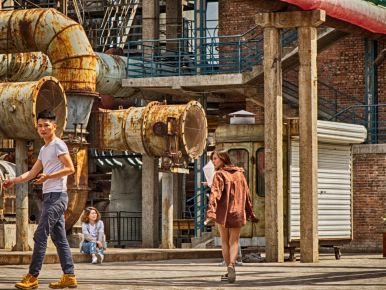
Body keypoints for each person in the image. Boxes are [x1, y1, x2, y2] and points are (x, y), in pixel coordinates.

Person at [2, 110, 77, 290]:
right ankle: (69, 276)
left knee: (40, 235)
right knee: (59, 239)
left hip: (58, 196)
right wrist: (14, 180)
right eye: (40, 126)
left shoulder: (58, 145)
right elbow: (33, 172)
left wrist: (49, 176)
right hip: (50, 196)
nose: (43, 129)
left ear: (54, 126)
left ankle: (32, 276)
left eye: (46, 126)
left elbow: (70, 168)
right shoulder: (44, 149)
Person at [206, 150, 258, 284]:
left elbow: (215, 194)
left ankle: (228, 265)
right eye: (213, 159)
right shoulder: (240, 174)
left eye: (216, 159)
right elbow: (247, 194)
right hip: (237, 212)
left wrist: (211, 211)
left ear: (223, 159)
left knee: (224, 240)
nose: (214, 161)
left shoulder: (219, 174)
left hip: (223, 213)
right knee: (234, 241)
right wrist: (250, 211)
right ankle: (231, 266)